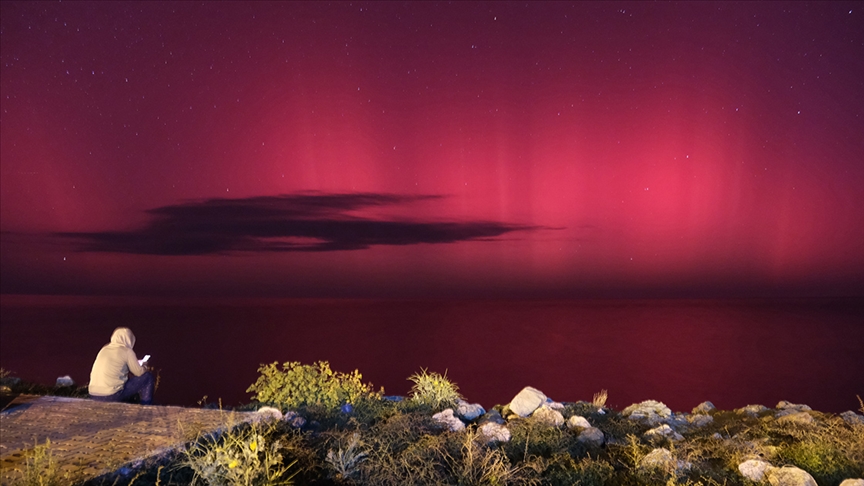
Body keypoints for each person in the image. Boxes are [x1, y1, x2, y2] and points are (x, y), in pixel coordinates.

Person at [88, 327, 155, 405]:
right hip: (111, 395)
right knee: (148, 377)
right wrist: (144, 366)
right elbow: (139, 372)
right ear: (130, 339)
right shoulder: (127, 351)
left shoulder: (104, 349)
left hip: (93, 394)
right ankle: (147, 406)